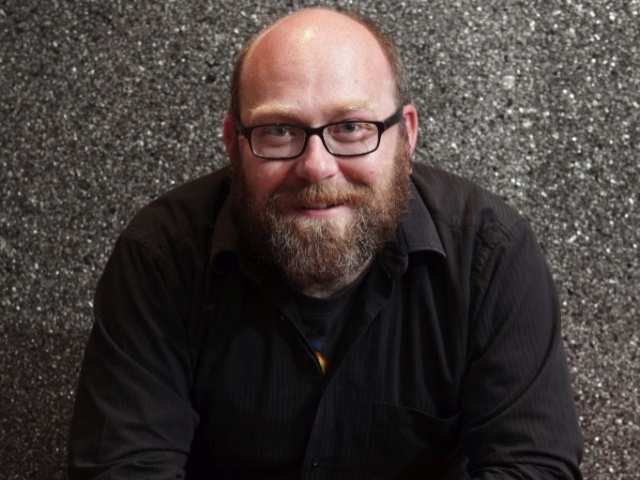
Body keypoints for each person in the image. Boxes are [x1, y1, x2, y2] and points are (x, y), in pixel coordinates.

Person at [68, 7, 584, 479]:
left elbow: (533, 469)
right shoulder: (161, 258)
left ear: (406, 135)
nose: (316, 166)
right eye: (279, 131)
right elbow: (121, 471)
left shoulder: (489, 255)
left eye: (352, 127)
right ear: (233, 143)